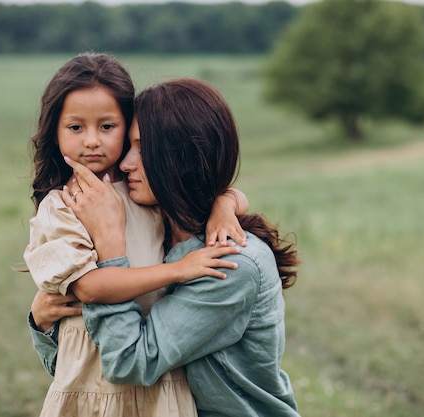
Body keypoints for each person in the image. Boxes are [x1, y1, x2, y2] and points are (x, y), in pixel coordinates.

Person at [31, 78, 301, 416]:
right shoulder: (159, 232)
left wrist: (111, 249)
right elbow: (87, 371)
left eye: (143, 149)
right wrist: (43, 325)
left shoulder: (229, 261)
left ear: (182, 158)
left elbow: (128, 363)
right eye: (128, 145)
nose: (125, 163)